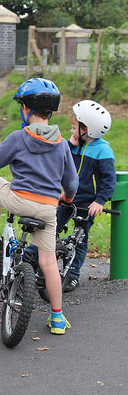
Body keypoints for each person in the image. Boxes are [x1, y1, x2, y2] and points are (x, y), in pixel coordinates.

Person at [0, 77, 79, 335]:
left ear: (26, 109)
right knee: (48, 263)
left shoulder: (19, 138)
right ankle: (57, 318)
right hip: (48, 209)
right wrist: (66, 199)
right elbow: (72, 184)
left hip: (19, 201)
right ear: (50, 111)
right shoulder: (62, 144)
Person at [59, 100, 116, 292]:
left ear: (86, 130)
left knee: (81, 239)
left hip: (87, 202)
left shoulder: (103, 150)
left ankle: (73, 275)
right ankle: (36, 259)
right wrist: (70, 144)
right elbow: (62, 160)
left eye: (74, 127)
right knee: (51, 227)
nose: (71, 130)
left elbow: (109, 180)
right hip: (66, 197)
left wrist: (100, 201)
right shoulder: (75, 145)